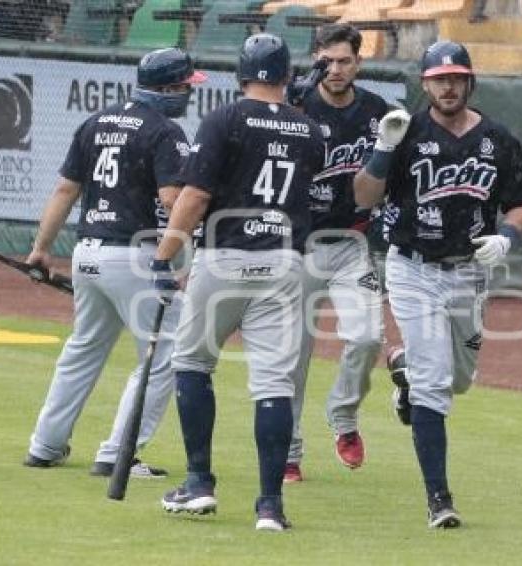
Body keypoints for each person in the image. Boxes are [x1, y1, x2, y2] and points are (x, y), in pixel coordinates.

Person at [353, 40, 522, 528]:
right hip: (412, 268)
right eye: (439, 79)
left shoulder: (497, 139)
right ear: (425, 84)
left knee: (459, 380)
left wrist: (506, 236)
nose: (448, 86)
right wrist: (382, 151)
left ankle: (405, 378)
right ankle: (439, 498)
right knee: (436, 386)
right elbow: (363, 197)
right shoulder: (406, 133)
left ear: (469, 80)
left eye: (456, 77)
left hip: (468, 272)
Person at [154, 33, 325, 531]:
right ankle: (270, 505)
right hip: (284, 262)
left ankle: (199, 483)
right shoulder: (309, 129)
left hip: (225, 255)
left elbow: (193, 197)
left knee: (191, 362)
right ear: (289, 76)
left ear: (241, 73)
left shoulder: (224, 118)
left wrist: (165, 255)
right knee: (273, 382)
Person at [23, 48, 206, 477]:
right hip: (136, 256)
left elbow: (65, 191)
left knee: (83, 349)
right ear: (167, 88)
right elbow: (171, 200)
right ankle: (118, 454)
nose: (188, 94)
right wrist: (191, 248)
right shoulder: (165, 130)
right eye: (184, 86)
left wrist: (40, 250)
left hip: (88, 253)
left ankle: (45, 445)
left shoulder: (97, 121)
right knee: (166, 353)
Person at [281, 23, 387, 483]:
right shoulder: (296, 105)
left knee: (366, 338)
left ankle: (343, 417)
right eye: (329, 60)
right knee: (292, 356)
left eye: (346, 61)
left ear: (358, 63)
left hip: (351, 243)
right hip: (298, 246)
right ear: (317, 59)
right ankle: (287, 451)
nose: (337, 69)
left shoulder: (377, 111)